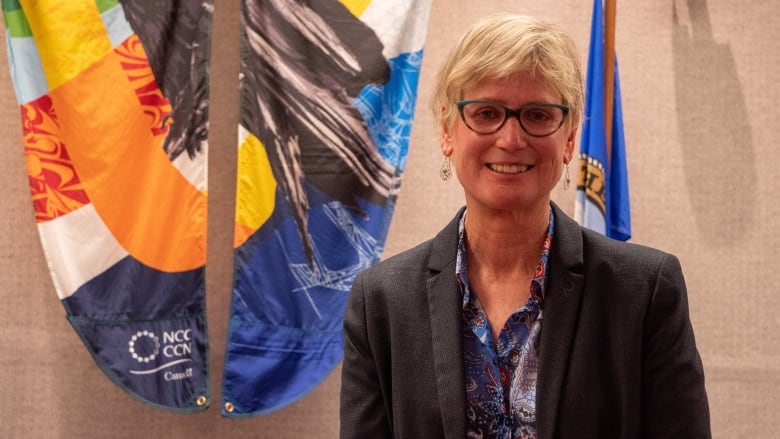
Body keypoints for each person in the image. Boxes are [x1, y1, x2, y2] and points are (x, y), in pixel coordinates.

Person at [339, 13, 710, 439]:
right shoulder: (381, 303)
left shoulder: (644, 291)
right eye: (486, 112)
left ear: (569, 138)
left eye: (537, 115)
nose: (511, 139)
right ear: (447, 131)